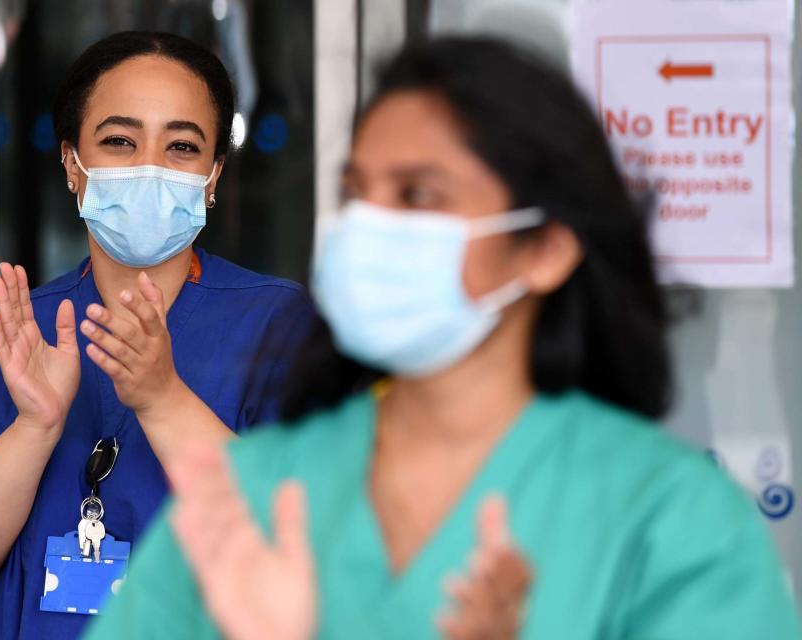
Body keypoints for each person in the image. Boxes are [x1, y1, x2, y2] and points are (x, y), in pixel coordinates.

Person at [88, 37, 802, 639]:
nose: (369, 228)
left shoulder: (666, 517)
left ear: (546, 247)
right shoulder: (259, 490)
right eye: (356, 193)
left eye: (418, 195)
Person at [0, 31, 315, 639]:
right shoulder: (0, 339)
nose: (149, 168)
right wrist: (33, 430)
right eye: (119, 141)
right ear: (71, 164)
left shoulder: (281, 331)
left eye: (182, 147)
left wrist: (164, 400)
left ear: (213, 176)